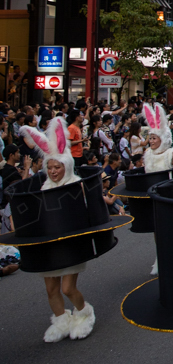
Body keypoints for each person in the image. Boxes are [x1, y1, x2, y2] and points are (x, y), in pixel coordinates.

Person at [21, 119, 97, 341]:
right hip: (50, 244)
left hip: (71, 243)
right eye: (50, 167)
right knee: (51, 289)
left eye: (58, 167)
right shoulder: (43, 187)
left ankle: (84, 314)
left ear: (67, 166)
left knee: (67, 288)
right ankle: (61, 322)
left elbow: (84, 212)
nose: (53, 171)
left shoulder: (76, 183)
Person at [140, 103, 173, 173]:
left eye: (154, 138)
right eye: (150, 138)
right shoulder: (148, 153)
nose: (151, 141)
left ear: (163, 139)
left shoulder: (172, 155)